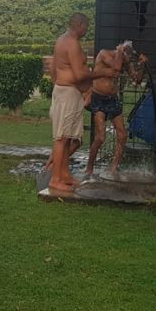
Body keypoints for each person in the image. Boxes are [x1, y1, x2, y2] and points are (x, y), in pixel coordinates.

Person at [49, 13, 118, 192]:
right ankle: (55, 179)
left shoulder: (62, 40)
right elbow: (79, 75)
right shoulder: (71, 43)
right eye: (86, 27)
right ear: (79, 25)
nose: (86, 31)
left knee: (69, 137)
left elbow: (53, 69)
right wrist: (103, 73)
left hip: (68, 92)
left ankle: (65, 175)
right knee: (62, 138)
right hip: (67, 93)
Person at [84, 41, 147, 176]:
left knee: (122, 135)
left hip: (113, 99)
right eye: (126, 59)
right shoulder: (104, 54)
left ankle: (114, 167)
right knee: (100, 137)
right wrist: (120, 50)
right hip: (98, 98)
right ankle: (89, 167)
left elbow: (137, 79)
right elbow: (116, 68)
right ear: (122, 53)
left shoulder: (124, 61)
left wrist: (142, 64)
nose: (127, 63)